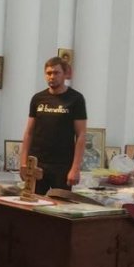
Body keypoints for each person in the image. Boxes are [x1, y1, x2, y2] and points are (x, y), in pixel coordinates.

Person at [20, 56, 87, 194]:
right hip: (37, 163)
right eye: (49, 73)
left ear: (65, 74)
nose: (52, 77)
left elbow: (81, 135)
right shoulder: (38, 99)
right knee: (32, 202)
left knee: (60, 204)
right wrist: (23, 163)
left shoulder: (76, 99)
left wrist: (75, 168)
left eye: (56, 73)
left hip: (62, 165)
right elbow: (29, 132)